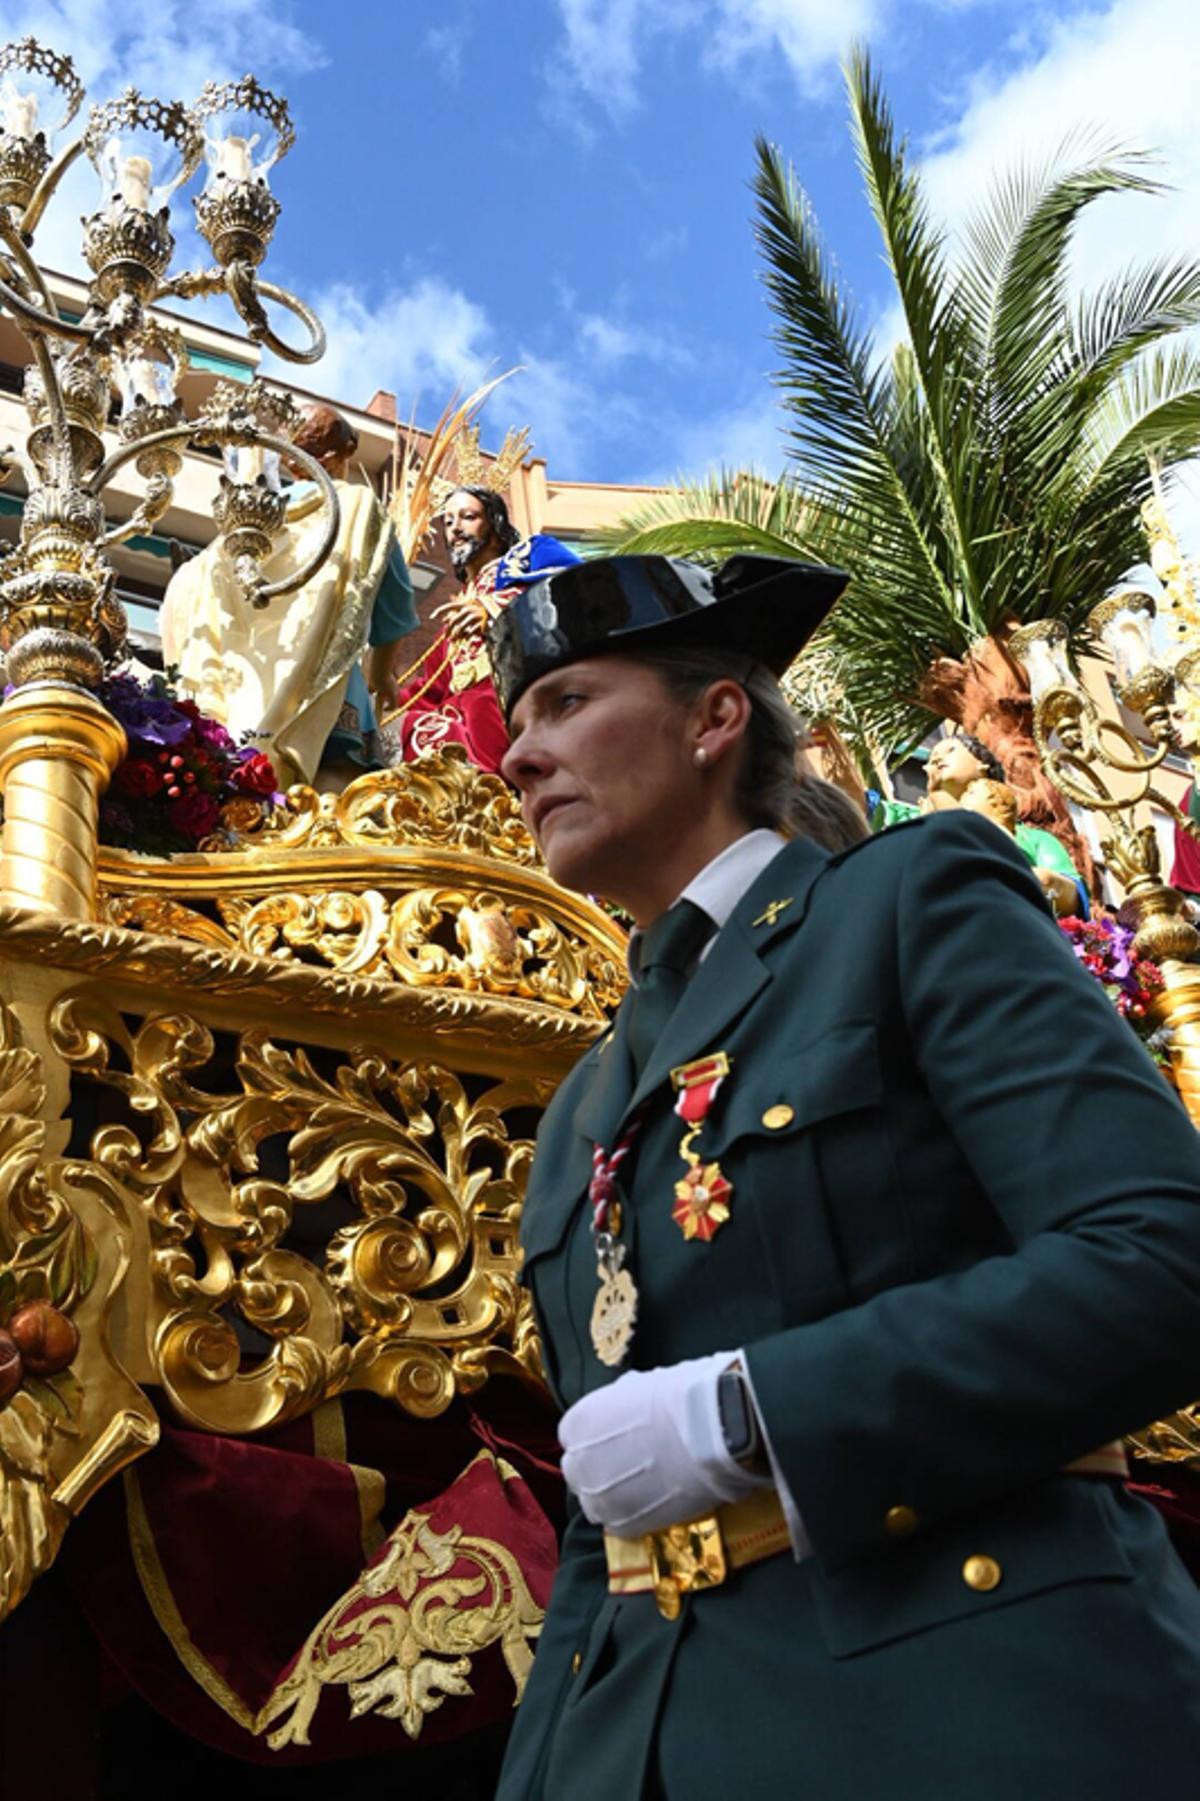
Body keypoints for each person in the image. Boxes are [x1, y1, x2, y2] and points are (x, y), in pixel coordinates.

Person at [483, 551, 1200, 1800]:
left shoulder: (912, 894)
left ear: (715, 718)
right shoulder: (583, 1108)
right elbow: (609, 1526)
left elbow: (1159, 1256)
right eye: (519, 721)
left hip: (965, 1709)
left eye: (568, 703)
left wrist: (758, 1411)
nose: (516, 755)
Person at [161, 405, 417, 787]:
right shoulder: (357, 507)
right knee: (335, 804)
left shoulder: (246, 523)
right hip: (329, 693)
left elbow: (189, 594)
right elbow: (393, 607)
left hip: (239, 701)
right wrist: (382, 676)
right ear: (336, 457)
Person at [386, 486, 579, 772]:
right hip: (455, 721)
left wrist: (494, 610)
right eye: (448, 522)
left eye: (468, 517)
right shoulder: (455, 616)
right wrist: (386, 699)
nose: (456, 529)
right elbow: (431, 686)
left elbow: (572, 590)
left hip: (506, 704)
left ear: (494, 522)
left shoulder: (532, 555)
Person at [873, 729, 1088, 915]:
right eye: (932, 758)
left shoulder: (1033, 839)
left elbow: (1070, 895)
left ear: (982, 765)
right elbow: (858, 809)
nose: (937, 760)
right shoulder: (908, 822)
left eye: (950, 751)